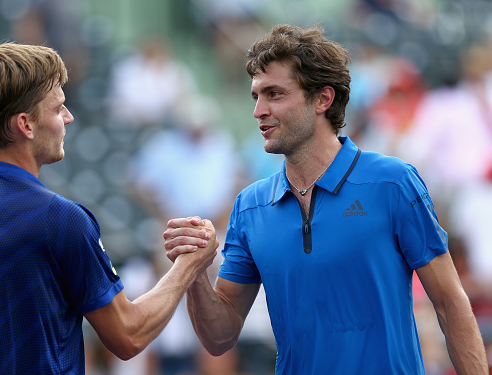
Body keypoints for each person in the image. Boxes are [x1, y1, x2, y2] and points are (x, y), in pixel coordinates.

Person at [162, 24, 489, 374]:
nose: (258, 110)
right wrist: (194, 274)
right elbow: (219, 338)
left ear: (323, 99)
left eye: (274, 94)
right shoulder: (249, 206)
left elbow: (450, 305)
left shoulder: (393, 183)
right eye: (256, 96)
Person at [0, 42, 218, 374]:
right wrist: (188, 265)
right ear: (26, 125)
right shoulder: (63, 219)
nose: (69, 116)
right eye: (58, 108)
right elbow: (128, 335)